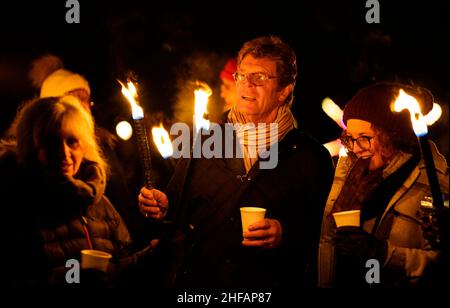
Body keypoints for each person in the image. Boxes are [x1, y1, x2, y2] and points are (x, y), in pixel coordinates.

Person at [139, 36, 334, 288]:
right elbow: (175, 212)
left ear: (285, 90)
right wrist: (161, 206)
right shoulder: (204, 140)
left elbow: (324, 237)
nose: (247, 85)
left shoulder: (311, 157)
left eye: (260, 77)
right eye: (242, 76)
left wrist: (285, 235)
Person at [0, 96, 153, 286]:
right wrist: (69, 279)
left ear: (84, 145)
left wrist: (156, 254)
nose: (64, 154)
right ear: (32, 146)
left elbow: (122, 268)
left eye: (72, 141)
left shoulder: (100, 203)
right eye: (52, 142)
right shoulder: (17, 205)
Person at [318, 82, 449, 287]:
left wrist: (382, 254)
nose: (357, 148)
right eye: (350, 138)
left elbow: (439, 264)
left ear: (392, 136)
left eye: (365, 138)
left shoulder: (433, 183)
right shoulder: (351, 172)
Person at [27, 54, 145, 247]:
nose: (83, 109)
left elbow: (123, 203)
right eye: (75, 101)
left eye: (86, 101)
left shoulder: (104, 148)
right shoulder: (26, 191)